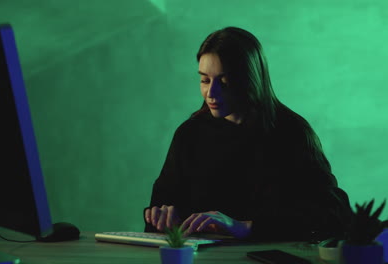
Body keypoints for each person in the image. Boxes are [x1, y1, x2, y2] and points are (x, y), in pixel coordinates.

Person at [144, 26, 352, 241]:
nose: (211, 93)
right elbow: (162, 204)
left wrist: (247, 227)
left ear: (250, 79)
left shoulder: (291, 133)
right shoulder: (189, 134)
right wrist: (161, 218)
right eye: (205, 80)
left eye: (224, 81)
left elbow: (332, 214)